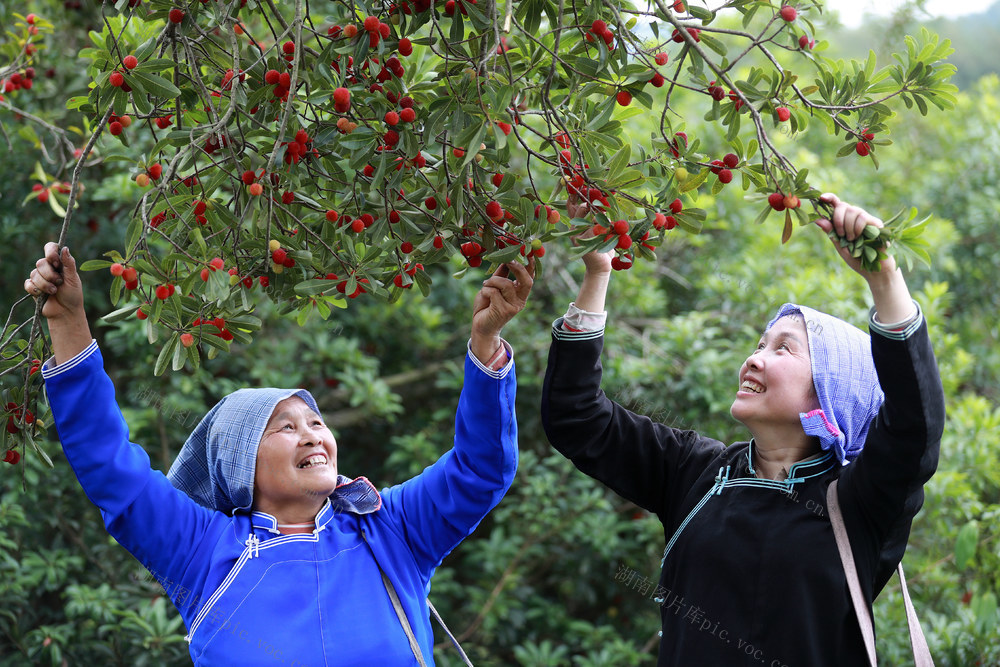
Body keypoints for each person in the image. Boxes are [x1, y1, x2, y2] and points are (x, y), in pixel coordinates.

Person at [24, 242, 535, 666]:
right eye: (285, 428)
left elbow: (481, 468)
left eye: (316, 422)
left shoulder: (392, 529)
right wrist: (70, 321)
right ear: (240, 462)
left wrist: (486, 340)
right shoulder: (201, 553)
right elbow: (111, 468)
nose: (313, 434)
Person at [541, 193, 945, 665]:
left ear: (831, 392)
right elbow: (578, 418)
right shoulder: (696, 471)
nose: (753, 358)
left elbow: (915, 427)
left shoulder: (861, 502)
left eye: (784, 349)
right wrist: (598, 274)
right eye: (759, 344)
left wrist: (884, 279)